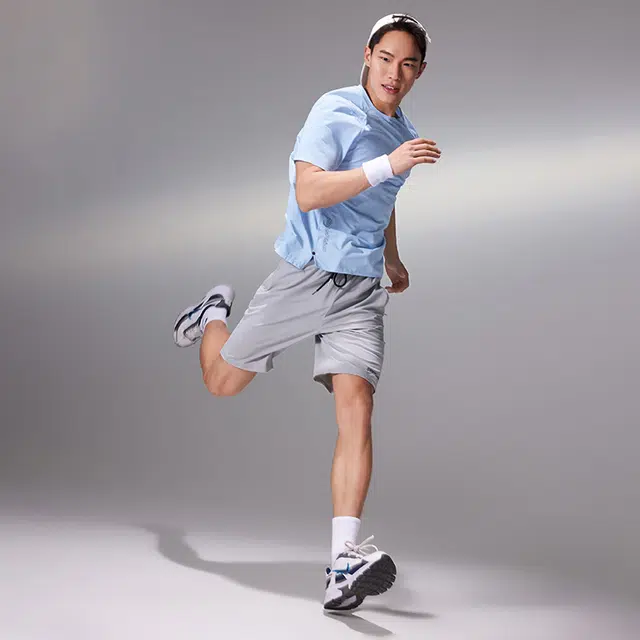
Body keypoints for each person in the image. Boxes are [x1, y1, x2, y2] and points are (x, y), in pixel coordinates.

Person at [173, 13, 441, 612]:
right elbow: (310, 191)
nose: (394, 73)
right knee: (222, 382)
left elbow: (381, 199)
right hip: (306, 276)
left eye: (408, 64)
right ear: (367, 55)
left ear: (420, 71)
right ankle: (213, 314)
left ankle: (343, 564)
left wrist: (392, 257)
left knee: (358, 408)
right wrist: (390, 164)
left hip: (360, 289)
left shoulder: (403, 131)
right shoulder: (335, 110)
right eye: (386, 58)